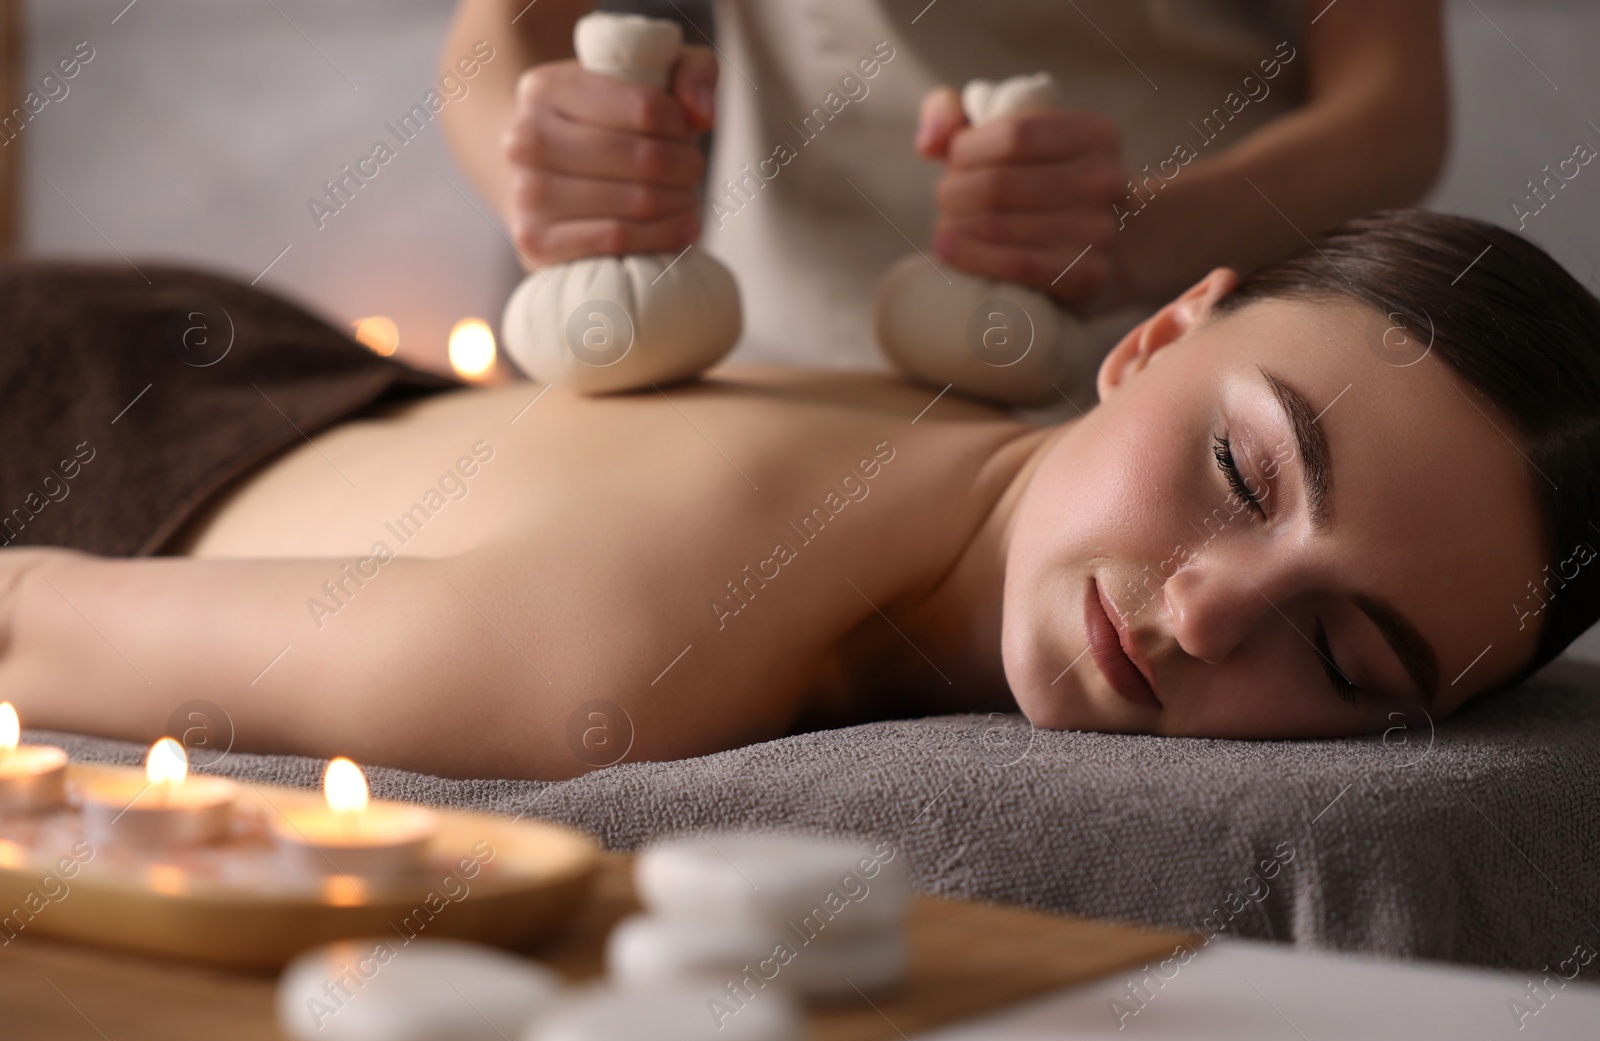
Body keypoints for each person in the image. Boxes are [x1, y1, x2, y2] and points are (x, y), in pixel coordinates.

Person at [2, 210, 1598, 781]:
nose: (1200, 613)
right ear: (1155, 337)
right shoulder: (617, 660)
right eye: (1243, 470)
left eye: (1343, 658)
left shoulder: (964, 417)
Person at [439, 0, 1448, 372]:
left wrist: (1139, 233)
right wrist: (544, 164)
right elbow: (497, 32)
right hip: (779, 370)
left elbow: (1396, 103)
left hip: (1173, 356)